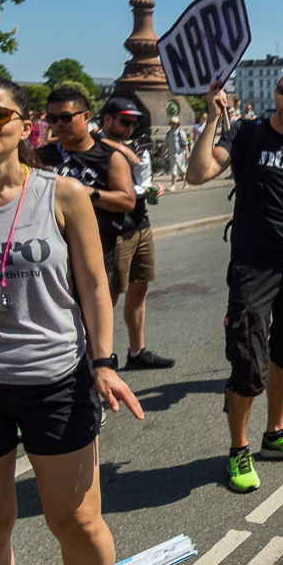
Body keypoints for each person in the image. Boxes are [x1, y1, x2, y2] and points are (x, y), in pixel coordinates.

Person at [0, 74, 143, 565]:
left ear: (25, 126)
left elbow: (96, 285)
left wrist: (104, 362)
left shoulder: (63, 194)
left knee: (74, 520)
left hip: (55, 380)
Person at [186, 68, 283, 494]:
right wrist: (213, 118)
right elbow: (196, 174)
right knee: (248, 356)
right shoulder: (247, 135)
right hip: (253, 262)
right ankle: (238, 448)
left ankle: (275, 434)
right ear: (275, 94)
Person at [99, 97, 174, 369]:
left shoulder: (131, 145)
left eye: (134, 123)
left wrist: (154, 188)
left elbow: (140, 180)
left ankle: (136, 351)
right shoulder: (96, 147)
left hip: (140, 223)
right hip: (114, 229)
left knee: (139, 288)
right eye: (125, 122)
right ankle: (100, 360)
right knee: (108, 297)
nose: (130, 127)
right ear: (106, 119)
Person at [37, 88, 137, 277]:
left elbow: (127, 201)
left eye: (66, 118)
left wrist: (84, 192)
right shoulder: (40, 157)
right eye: (53, 119)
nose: (59, 124)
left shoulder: (111, 157)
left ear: (86, 117)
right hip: (48, 254)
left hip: (94, 256)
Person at [162, 116, 190, 192]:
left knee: (177, 170)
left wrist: (187, 153)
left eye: (174, 123)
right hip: (172, 154)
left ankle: (174, 185)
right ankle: (183, 183)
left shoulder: (180, 132)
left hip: (179, 154)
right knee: (178, 171)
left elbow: (185, 144)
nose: (172, 125)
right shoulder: (168, 133)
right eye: (171, 123)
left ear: (177, 124)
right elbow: (165, 144)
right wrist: (161, 152)